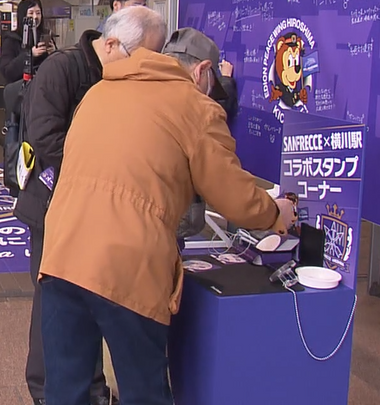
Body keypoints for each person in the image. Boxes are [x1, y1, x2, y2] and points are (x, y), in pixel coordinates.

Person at [39, 24, 297, 405]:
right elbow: (232, 193)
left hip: (61, 255)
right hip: (127, 265)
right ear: (202, 71)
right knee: (144, 390)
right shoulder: (194, 107)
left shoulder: (100, 91)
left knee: (65, 390)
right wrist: (275, 212)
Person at [18, 6, 156, 405]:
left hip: (96, 207)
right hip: (53, 204)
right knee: (55, 297)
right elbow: (45, 137)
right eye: (138, 56)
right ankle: (47, 389)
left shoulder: (118, 76)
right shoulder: (62, 70)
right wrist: (105, 166)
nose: (141, 67)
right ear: (111, 44)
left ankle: (91, 388)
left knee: (90, 293)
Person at [0, 0, 52, 84]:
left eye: (38, 13)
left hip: (42, 89)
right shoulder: (11, 40)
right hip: (19, 90)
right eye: (31, 13)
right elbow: (7, 72)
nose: (35, 17)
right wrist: (30, 55)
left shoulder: (45, 36)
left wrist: (54, 53)